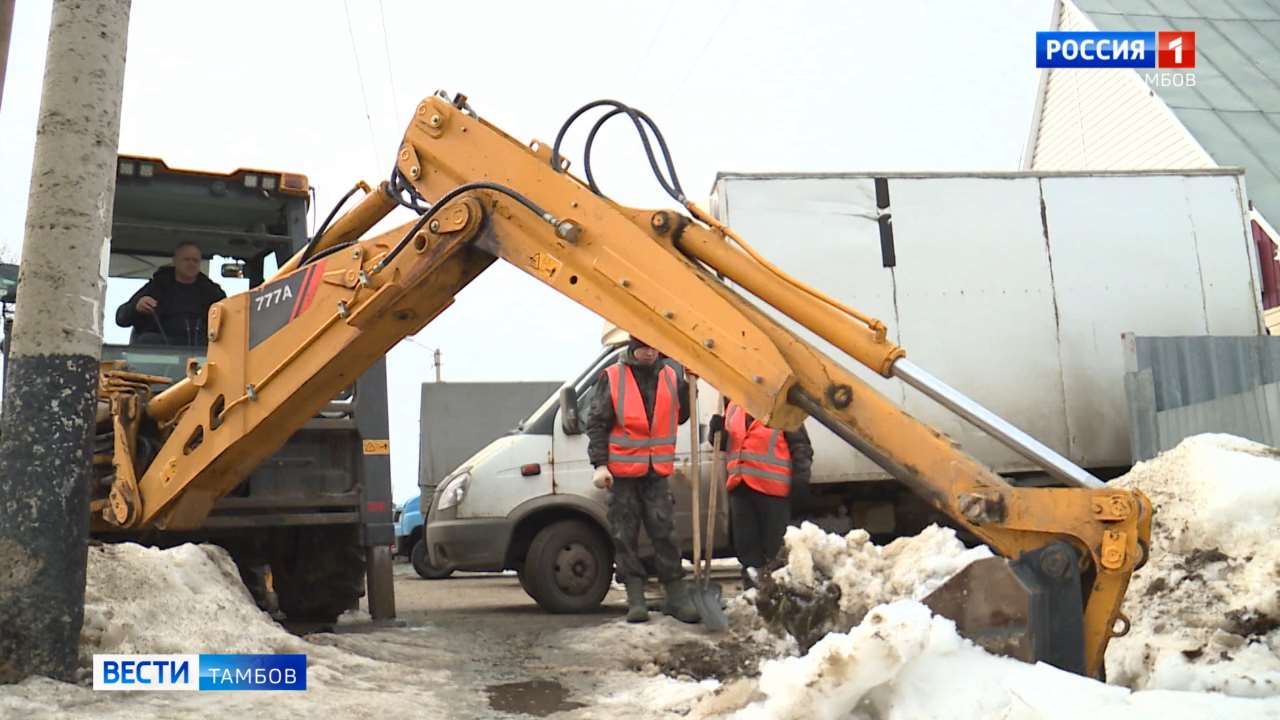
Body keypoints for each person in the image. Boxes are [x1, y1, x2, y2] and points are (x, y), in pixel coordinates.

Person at [587, 336, 700, 624]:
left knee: (665, 533)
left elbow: (682, 416)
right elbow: (597, 423)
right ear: (633, 348)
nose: (649, 353)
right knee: (625, 536)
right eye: (644, 347)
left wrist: (689, 387)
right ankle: (635, 598)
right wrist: (600, 464)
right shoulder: (612, 376)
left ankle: (676, 596)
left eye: (653, 347)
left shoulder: (671, 376)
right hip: (622, 477)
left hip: (656, 473)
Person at [709, 398, 813, 589]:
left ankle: (780, 595)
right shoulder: (733, 406)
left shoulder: (782, 407)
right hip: (740, 488)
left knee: (775, 550)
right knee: (747, 548)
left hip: (772, 491)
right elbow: (728, 443)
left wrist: (801, 477)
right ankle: (752, 593)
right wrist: (716, 433)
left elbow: (801, 445)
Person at [115, 241, 226, 346]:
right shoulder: (156, 287)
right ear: (175, 261)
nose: (191, 264)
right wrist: (136, 307)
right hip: (160, 352)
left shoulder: (212, 293)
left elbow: (229, 322)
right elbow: (121, 318)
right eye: (186, 259)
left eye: (195, 260)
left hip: (202, 352)